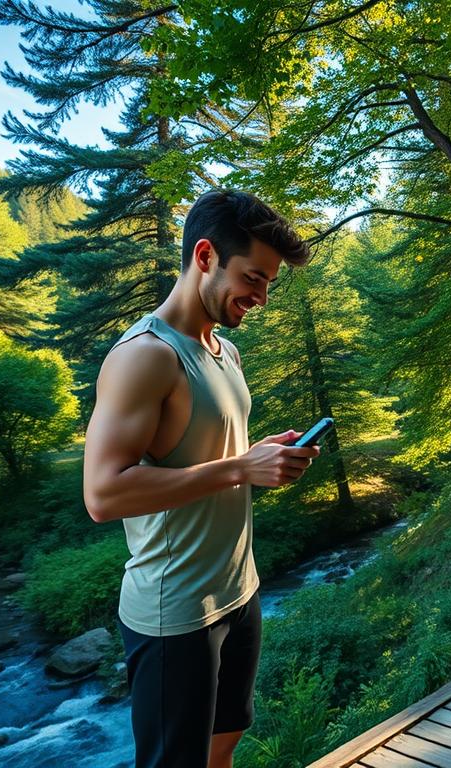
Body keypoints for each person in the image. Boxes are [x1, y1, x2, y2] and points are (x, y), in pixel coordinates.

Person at [82, 190, 319, 768]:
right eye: (253, 278)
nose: (261, 297)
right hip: (173, 611)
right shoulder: (144, 356)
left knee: (224, 744)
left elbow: (208, 453)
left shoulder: (225, 352)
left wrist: (255, 455)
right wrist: (241, 467)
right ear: (206, 255)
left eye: (268, 284)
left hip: (239, 589)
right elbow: (103, 493)